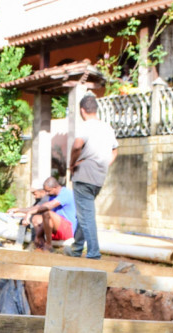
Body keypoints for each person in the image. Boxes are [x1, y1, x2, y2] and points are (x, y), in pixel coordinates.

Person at [68, 94, 118, 260]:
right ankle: (76, 249)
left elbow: (77, 146)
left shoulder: (86, 126)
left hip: (83, 175)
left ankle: (93, 253)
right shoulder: (107, 128)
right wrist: (103, 164)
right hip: (98, 177)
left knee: (86, 215)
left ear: (83, 111)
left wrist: (71, 164)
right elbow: (115, 151)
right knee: (84, 213)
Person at [8, 177, 75, 251]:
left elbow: (49, 206)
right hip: (55, 230)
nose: (46, 193)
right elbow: (38, 208)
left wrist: (29, 213)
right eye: (45, 191)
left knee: (47, 213)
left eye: (48, 191)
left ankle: (49, 245)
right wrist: (38, 235)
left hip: (67, 230)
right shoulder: (51, 196)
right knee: (36, 218)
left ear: (55, 187)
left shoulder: (66, 193)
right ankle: (40, 244)